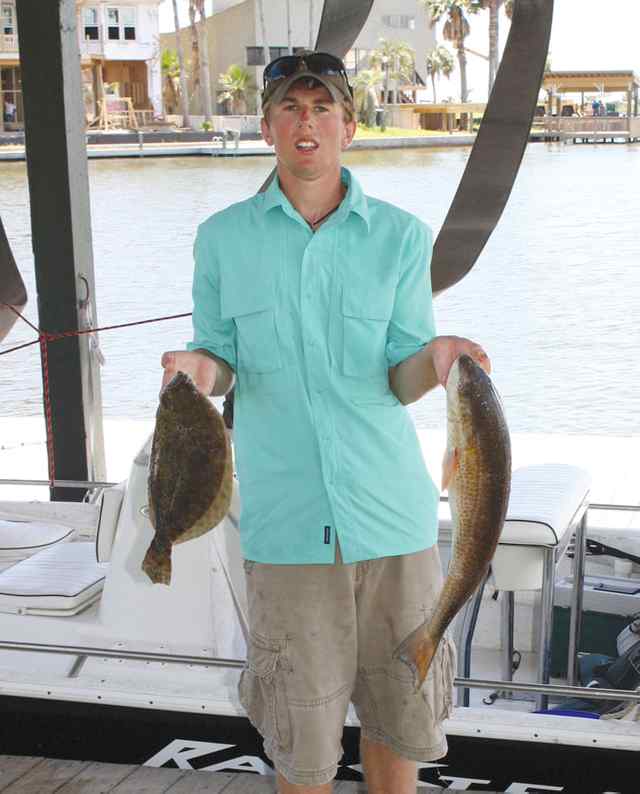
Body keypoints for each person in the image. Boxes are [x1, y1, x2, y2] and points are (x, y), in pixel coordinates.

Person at [161, 51, 490, 794]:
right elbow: (220, 357)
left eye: (321, 108)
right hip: (287, 527)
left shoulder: (402, 238)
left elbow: (401, 373)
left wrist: (435, 357)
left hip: (395, 521)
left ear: (348, 126)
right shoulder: (222, 238)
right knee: (301, 748)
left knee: (396, 727)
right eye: (289, 108)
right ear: (268, 126)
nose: (305, 121)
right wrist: (196, 373)